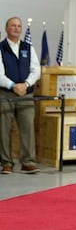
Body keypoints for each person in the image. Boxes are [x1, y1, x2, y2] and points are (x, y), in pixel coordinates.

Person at [0, 17, 40, 174]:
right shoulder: (1, 47)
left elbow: (36, 70)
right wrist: (12, 85)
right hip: (5, 93)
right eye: (13, 26)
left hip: (26, 94)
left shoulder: (28, 48)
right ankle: (6, 163)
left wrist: (26, 84)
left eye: (19, 26)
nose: (16, 29)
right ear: (6, 29)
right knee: (4, 129)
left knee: (27, 127)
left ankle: (28, 162)